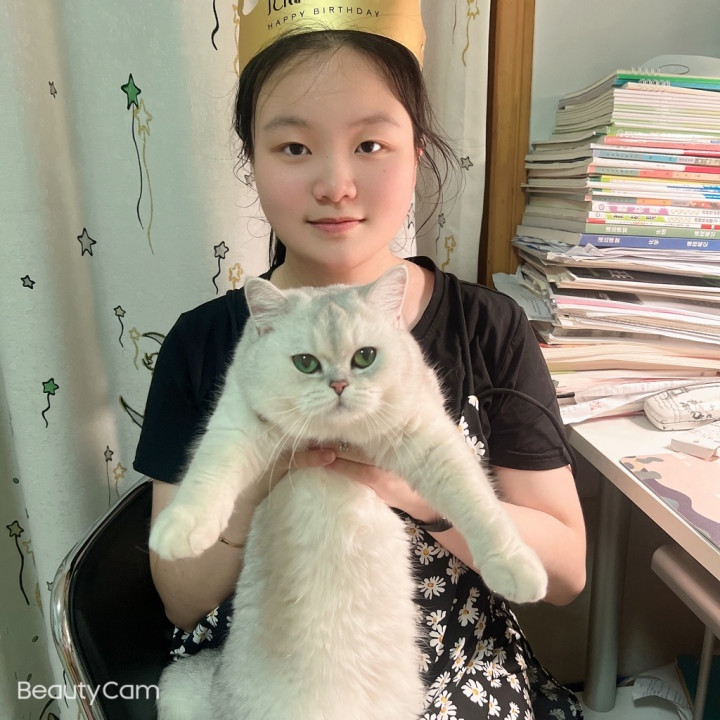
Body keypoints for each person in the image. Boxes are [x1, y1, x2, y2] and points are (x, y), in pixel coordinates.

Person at [135, 10, 587, 719]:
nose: (337, 185)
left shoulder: (488, 326)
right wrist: (258, 475)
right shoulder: (203, 342)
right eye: (294, 147)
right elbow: (180, 598)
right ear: (251, 159)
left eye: (371, 144)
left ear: (418, 151)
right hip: (267, 675)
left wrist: (414, 487)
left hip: (455, 678)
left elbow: (564, 575)